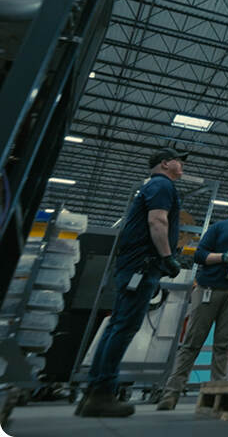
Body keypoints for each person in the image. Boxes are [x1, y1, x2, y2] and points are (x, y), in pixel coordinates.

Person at [77, 149, 186, 417]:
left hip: (133, 265)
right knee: (125, 326)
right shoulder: (162, 185)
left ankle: (94, 392)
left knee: (117, 325)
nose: (182, 165)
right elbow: (157, 221)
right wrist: (168, 257)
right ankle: (102, 393)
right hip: (143, 265)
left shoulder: (151, 185)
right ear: (165, 163)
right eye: (178, 160)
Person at [156, 188, 228, 409]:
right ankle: (171, 393)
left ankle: (218, 394)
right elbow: (199, 255)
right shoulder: (218, 227)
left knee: (224, 346)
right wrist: (223, 257)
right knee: (192, 343)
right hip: (209, 288)